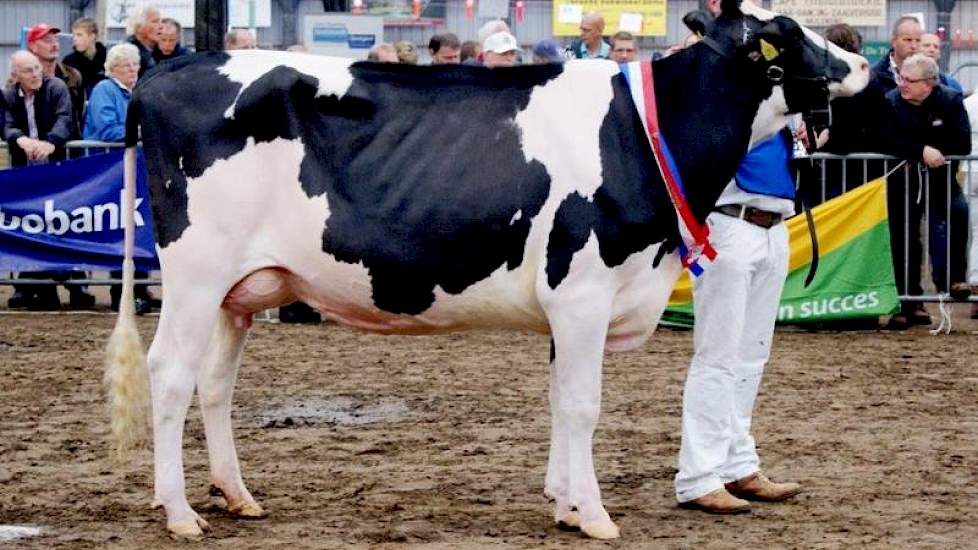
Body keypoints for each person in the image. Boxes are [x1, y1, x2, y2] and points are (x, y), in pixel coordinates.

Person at [676, 127, 802, 514]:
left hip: (773, 226)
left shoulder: (782, 116)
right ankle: (698, 476)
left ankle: (738, 464)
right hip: (729, 223)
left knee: (750, 356)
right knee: (718, 356)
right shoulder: (732, 105)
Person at [882, 53, 972, 329]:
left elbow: (963, 143)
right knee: (904, 237)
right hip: (903, 182)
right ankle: (908, 302)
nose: (902, 84)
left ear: (929, 84)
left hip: (940, 178)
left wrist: (937, 152)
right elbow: (886, 139)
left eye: (909, 80)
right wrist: (920, 150)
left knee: (958, 212)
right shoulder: (891, 101)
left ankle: (953, 279)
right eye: (901, 78)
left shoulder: (950, 100)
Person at [3, 50, 95, 310]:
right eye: (28, 70)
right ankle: (34, 286)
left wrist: (51, 143)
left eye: (36, 68)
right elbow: (6, 123)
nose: (36, 74)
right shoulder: (9, 95)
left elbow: (66, 119)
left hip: (59, 170)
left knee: (66, 225)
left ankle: (76, 284)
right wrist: (19, 139)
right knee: (29, 227)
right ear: (15, 75)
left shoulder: (56, 87)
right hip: (26, 173)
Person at [27, 23, 85, 140]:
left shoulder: (73, 75)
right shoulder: (23, 78)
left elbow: (78, 113)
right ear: (33, 46)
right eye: (47, 41)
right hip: (36, 149)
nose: (54, 45)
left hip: (70, 147)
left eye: (56, 40)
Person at [62, 17, 107, 96]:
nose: (75, 39)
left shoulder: (108, 58)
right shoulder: (69, 62)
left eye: (79, 35)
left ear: (92, 36)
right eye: (74, 35)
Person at [127, 5, 162, 77]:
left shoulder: (165, 50)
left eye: (161, 21)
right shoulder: (126, 55)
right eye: (155, 21)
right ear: (139, 27)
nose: (161, 26)